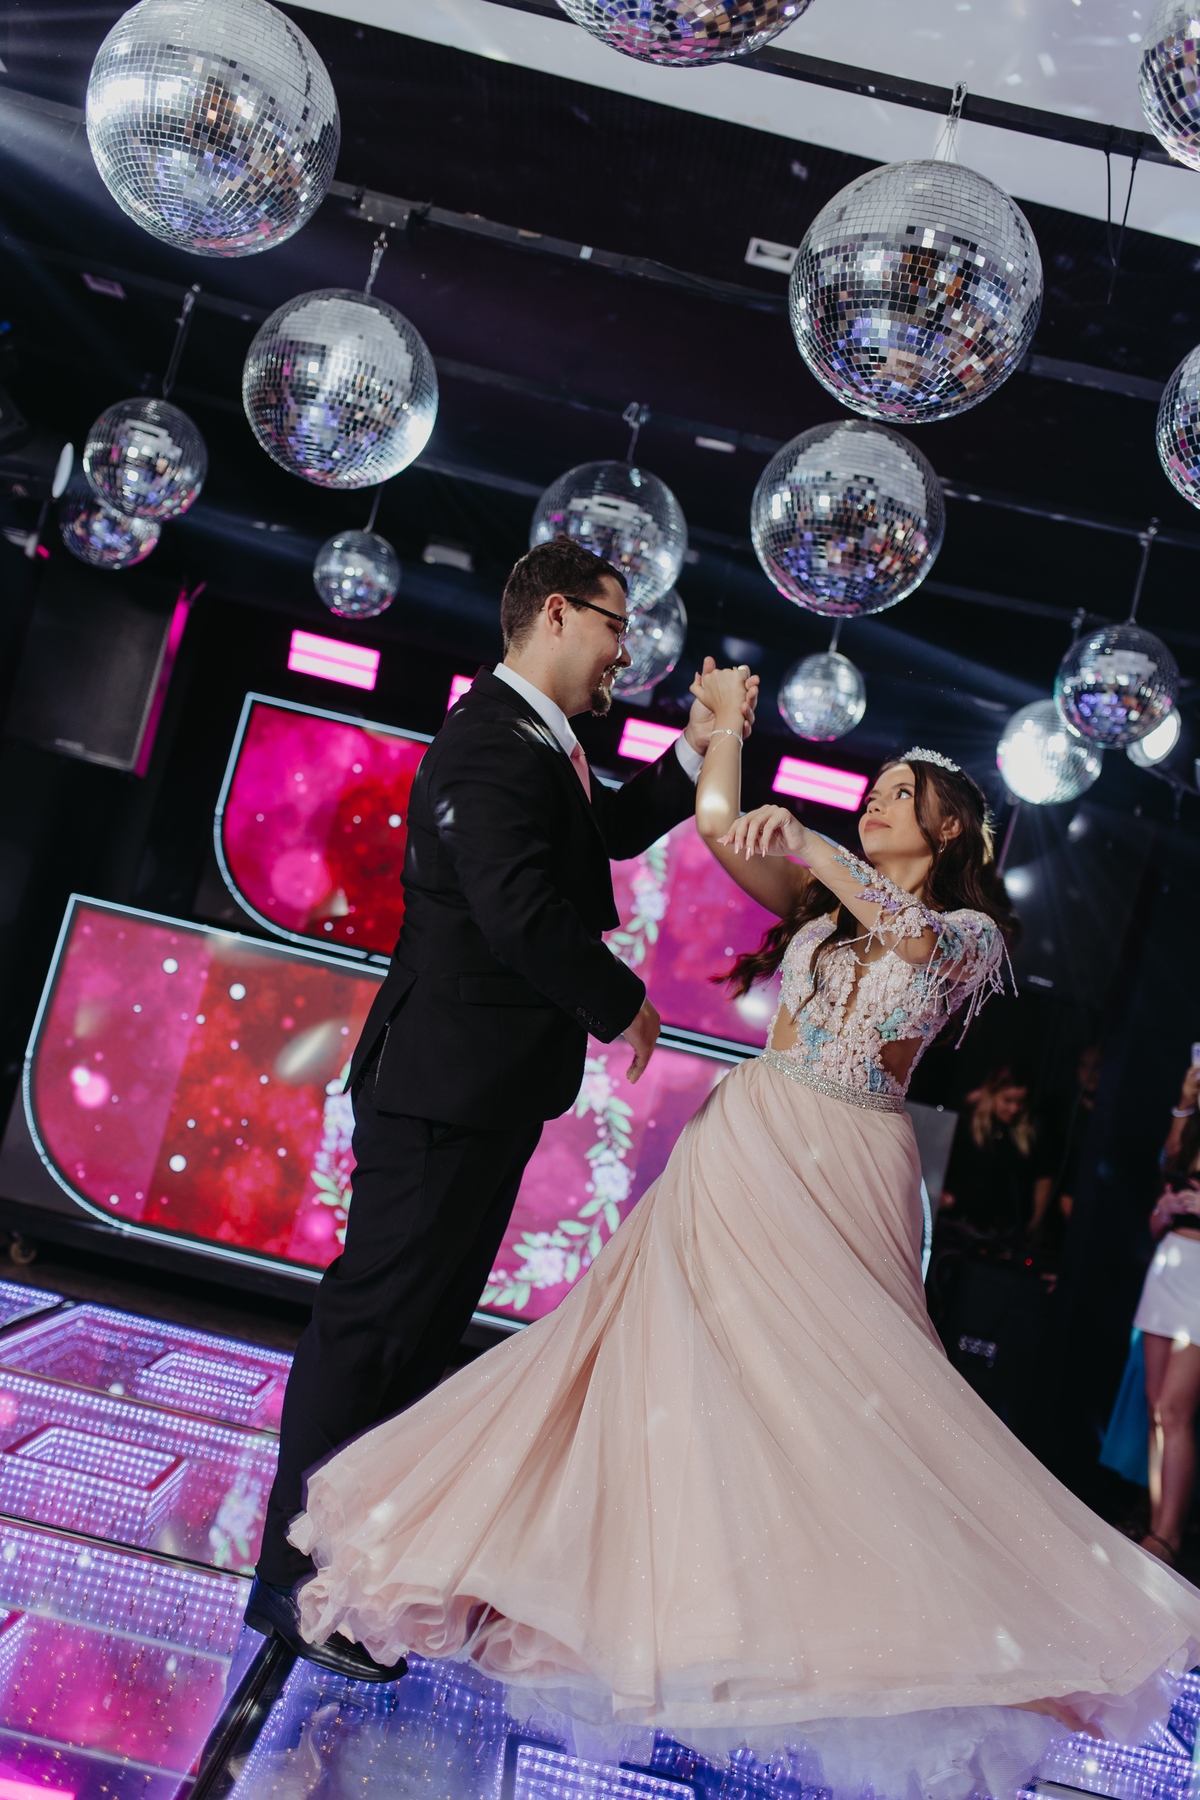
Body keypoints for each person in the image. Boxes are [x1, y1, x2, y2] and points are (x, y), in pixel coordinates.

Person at [276, 669, 1200, 1795]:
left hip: (850, 1160)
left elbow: (910, 940)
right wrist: (720, 733)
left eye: (898, 794)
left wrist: (815, 845)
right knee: (660, 1365)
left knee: (844, 1391)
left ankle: (871, 1617)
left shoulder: (966, 933)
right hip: (746, 1136)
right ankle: (636, 1600)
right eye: (872, 791)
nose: (875, 803)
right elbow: (719, 824)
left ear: (950, 826)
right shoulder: (824, 898)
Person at [247, 538, 759, 1677]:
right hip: (441, 1085)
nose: (628, 650)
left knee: (420, 1339)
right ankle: (290, 1581)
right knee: (372, 1331)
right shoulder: (490, 739)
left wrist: (697, 748)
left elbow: (604, 834)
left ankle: (353, 1577)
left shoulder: (540, 739)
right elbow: (517, 906)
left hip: (480, 1089)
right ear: (558, 614)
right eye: (619, 625)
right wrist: (620, 1001)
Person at [1133, 1053, 1200, 1567]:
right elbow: (1156, 1221)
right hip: (1168, 1266)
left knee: (1174, 1409)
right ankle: (1159, 1525)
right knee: (1156, 1407)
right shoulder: (1190, 1136)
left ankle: (1169, 1538)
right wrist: (1165, 1210)